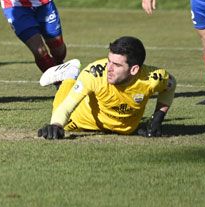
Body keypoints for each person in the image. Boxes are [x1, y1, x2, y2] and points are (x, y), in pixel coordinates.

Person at [36, 36, 175, 139]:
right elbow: (67, 106)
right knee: (63, 111)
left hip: (124, 129)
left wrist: (157, 119)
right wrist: (56, 124)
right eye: (109, 61)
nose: (109, 68)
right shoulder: (95, 74)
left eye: (117, 65)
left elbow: (171, 84)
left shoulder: (153, 78)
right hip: (80, 120)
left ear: (134, 70)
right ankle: (67, 77)